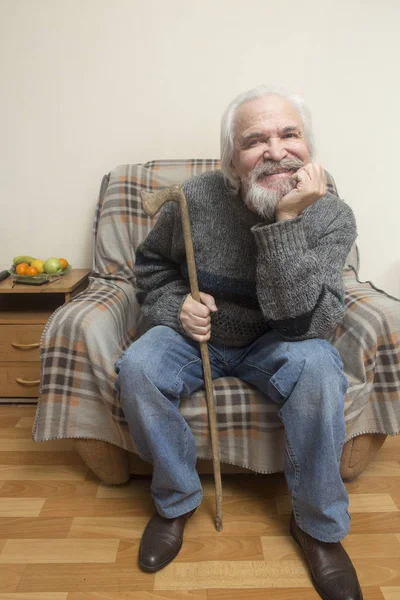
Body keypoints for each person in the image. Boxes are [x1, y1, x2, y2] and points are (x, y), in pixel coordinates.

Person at [115, 85, 363, 600]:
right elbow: (153, 268)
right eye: (255, 140)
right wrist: (174, 305)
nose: (275, 151)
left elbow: (300, 324)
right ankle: (176, 501)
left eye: (289, 134)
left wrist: (287, 219)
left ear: (308, 147)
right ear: (231, 159)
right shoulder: (197, 198)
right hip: (198, 337)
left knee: (319, 370)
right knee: (138, 367)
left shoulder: (331, 215)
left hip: (281, 340)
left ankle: (317, 528)